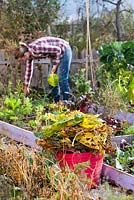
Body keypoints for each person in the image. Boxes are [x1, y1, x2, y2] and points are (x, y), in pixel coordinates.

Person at [14, 36, 72, 102]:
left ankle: (67, 101)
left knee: (62, 78)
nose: (23, 60)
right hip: (55, 56)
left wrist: (55, 65)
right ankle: (57, 102)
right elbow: (29, 71)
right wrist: (26, 86)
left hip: (64, 50)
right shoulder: (30, 55)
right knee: (52, 79)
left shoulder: (36, 48)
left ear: (25, 54)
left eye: (22, 59)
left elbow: (58, 50)